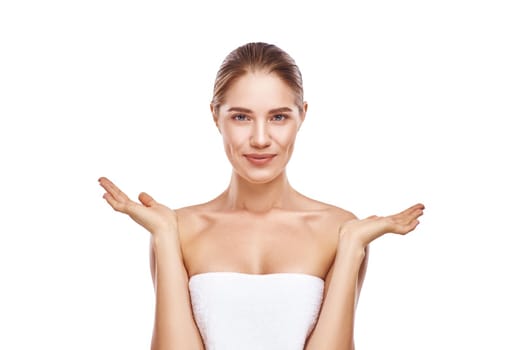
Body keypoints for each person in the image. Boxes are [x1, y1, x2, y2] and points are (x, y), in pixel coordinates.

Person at [98, 42, 424, 350]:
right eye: (241, 117)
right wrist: (165, 236)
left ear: (302, 116)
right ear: (215, 116)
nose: (260, 139)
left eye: (278, 117)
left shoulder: (338, 230)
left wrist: (353, 245)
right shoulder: (179, 229)